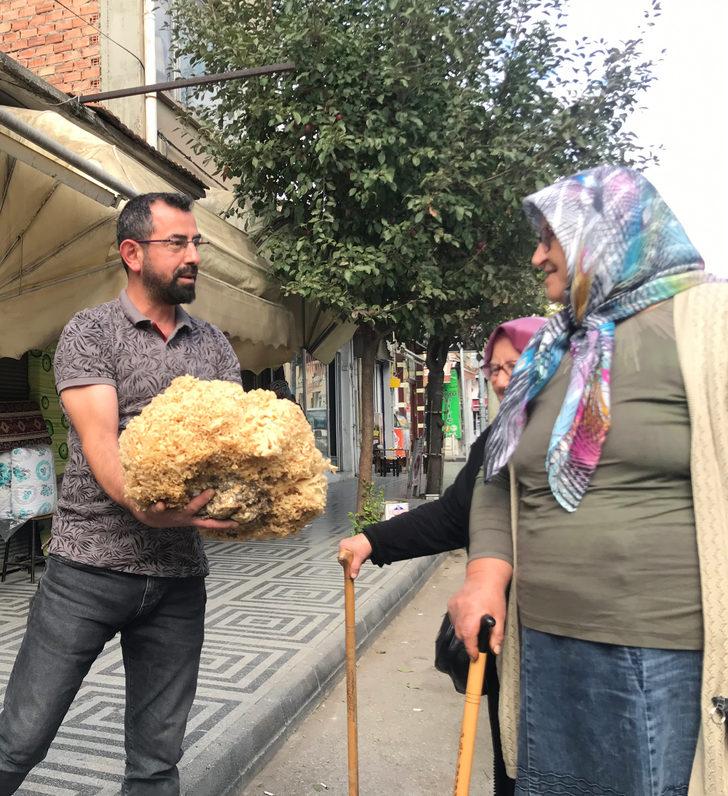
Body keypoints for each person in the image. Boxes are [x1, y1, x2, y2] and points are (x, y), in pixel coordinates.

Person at [448, 165, 728, 795]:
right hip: (543, 643)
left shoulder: (709, 322)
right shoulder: (550, 349)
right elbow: (497, 477)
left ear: (607, 235)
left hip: (665, 652)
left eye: (552, 237)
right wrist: (485, 575)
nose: (537, 256)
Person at [0, 193, 242, 795]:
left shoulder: (214, 345)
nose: (193, 256)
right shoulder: (91, 332)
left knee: (157, 763)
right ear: (132, 253)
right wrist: (144, 506)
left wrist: (248, 503)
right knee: (21, 738)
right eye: (177, 243)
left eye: (195, 243)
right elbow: (101, 444)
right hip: (87, 571)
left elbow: (232, 447)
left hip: (178, 579)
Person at [338, 315, 545, 796]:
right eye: (494, 369)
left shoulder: (589, 437)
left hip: (573, 638)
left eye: (515, 366)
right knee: (514, 763)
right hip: (506, 636)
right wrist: (372, 541)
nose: (500, 380)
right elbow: (454, 516)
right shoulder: (496, 441)